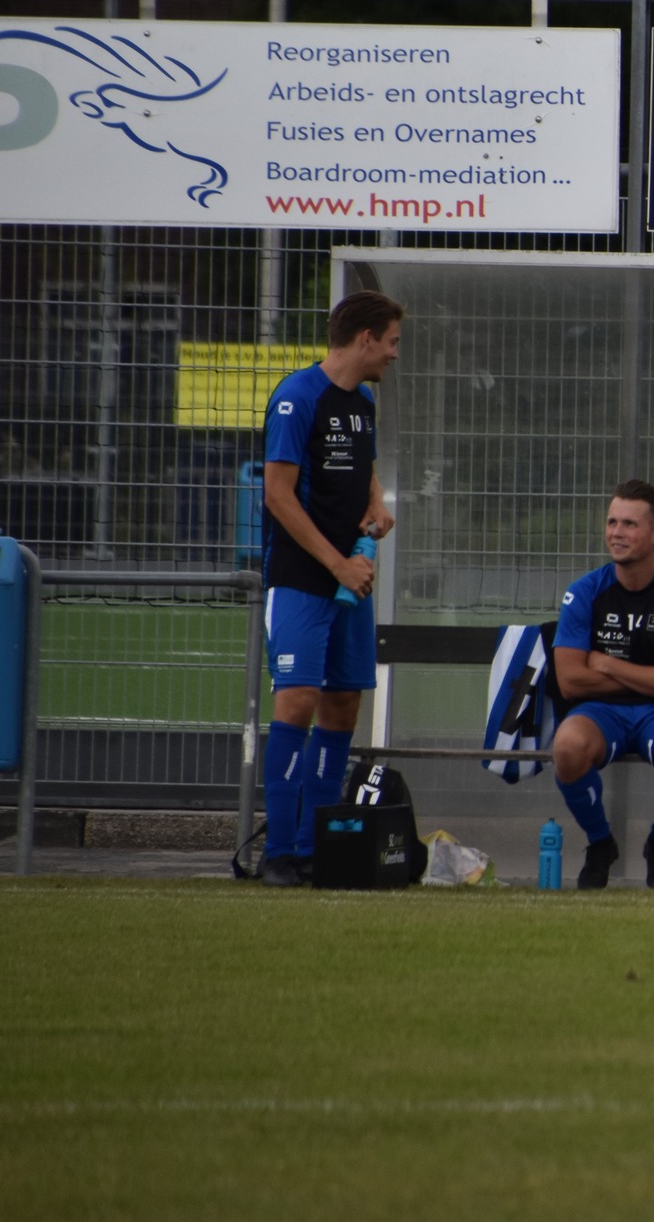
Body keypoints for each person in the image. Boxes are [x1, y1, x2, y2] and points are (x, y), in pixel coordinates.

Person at [257, 290, 403, 887]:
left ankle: (319, 842)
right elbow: (278, 495)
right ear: (365, 337)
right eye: (392, 341)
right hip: (302, 576)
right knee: (298, 698)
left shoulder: (364, 400)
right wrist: (337, 565)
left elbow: (362, 463)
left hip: (351, 580)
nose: (395, 353)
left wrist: (375, 502)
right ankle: (280, 852)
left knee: (345, 701)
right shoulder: (296, 397)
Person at [549, 480, 654, 890]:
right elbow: (569, 681)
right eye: (612, 522)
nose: (616, 533)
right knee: (567, 746)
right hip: (601, 712)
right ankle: (601, 843)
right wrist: (653, 674)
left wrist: (605, 664)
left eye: (629, 524)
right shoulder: (584, 593)